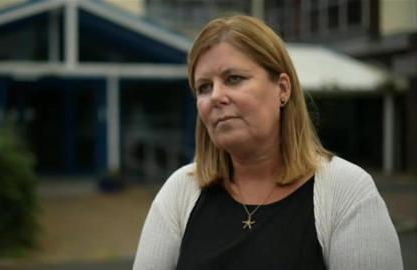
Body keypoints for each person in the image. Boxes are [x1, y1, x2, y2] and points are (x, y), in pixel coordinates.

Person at [133, 15, 403, 270]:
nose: (216, 96)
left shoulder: (347, 191)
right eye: (204, 87)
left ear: (283, 89)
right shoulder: (180, 192)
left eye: (234, 79)